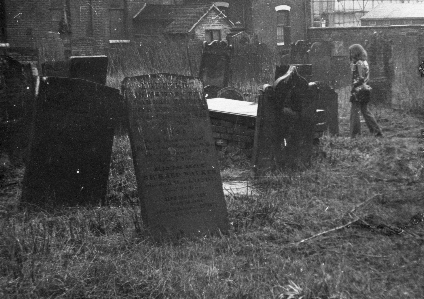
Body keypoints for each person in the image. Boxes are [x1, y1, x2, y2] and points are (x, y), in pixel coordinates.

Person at [348, 44, 383, 138]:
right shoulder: (365, 62)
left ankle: (354, 135)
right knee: (365, 111)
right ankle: (377, 132)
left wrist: (354, 86)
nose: (350, 55)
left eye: (351, 52)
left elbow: (360, 78)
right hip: (365, 89)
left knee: (354, 113)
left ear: (355, 52)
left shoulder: (358, 63)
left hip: (358, 90)